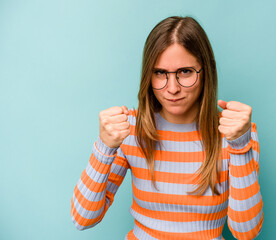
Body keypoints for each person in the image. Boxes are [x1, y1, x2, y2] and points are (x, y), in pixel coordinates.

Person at [70, 16, 263, 240]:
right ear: (148, 76)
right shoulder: (130, 130)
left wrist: (239, 146)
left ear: (205, 72)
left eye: (185, 72)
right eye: (160, 73)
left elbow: (246, 231)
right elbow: (82, 219)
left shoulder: (235, 133)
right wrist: (104, 148)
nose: (172, 88)